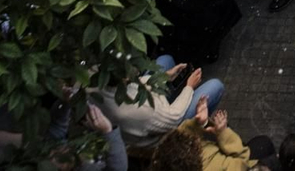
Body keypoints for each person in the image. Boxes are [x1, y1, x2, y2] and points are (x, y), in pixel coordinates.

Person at [91, 59, 224, 148]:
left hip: (150, 110)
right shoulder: (141, 111)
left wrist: (164, 77)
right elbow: (173, 117)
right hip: (161, 131)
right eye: (132, 70)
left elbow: (134, 86)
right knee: (215, 86)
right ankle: (198, 133)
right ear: (123, 78)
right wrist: (189, 87)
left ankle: (172, 98)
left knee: (165, 60)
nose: (138, 71)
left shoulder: (93, 78)